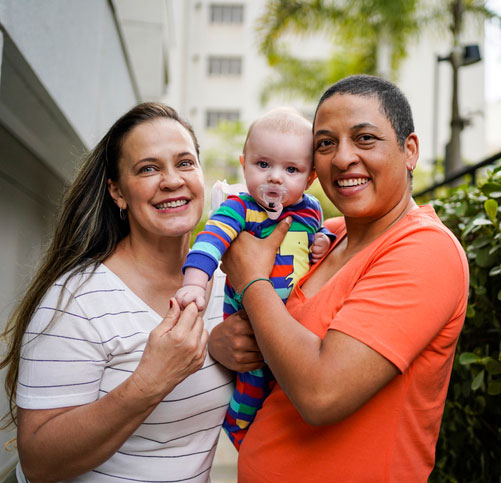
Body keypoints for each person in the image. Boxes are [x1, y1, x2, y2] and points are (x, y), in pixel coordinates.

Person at [209, 74, 470, 481]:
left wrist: (251, 280)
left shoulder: (425, 249)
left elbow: (320, 394)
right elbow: (269, 336)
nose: (342, 158)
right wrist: (224, 343)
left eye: (364, 138)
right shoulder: (321, 235)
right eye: (326, 144)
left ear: (410, 150)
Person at [0, 102, 239, 482]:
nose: (172, 180)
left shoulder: (230, 283)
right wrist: (152, 380)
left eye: (185, 162)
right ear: (117, 191)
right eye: (148, 168)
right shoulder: (78, 300)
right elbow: (39, 462)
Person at [175, 107, 333, 448]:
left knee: (289, 392)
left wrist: (323, 242)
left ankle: (281, 444)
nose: (275, 177)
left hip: (295, 328)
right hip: (249, 323)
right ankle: (243, 436)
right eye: (263, 165)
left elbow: (317, 240)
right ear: (243, 164)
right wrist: (194, 283)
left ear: (309, 179)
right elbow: (210, 241)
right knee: (250, 387)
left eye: (291, 169)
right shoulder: (239, 208)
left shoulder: (310, 211)